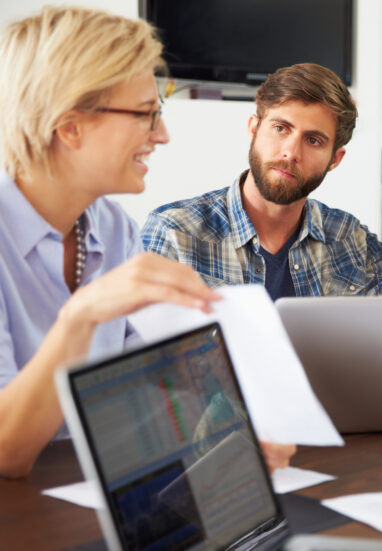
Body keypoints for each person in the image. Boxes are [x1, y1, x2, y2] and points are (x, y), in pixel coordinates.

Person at [0, 7, 293, 478]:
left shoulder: (113, 227)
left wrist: (229, 426)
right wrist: (82, 315)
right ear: (69, 125)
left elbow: (148, 389)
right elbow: (6, 452)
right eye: (145, 115)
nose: (162, 135)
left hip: (90, 493)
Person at [142, 63, 382, 300]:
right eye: (280, 128)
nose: (291, 153)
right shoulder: (174, 233)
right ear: (253, 129)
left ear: (335, 159)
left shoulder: (352, 240)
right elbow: (144, 349)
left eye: (313, 140)